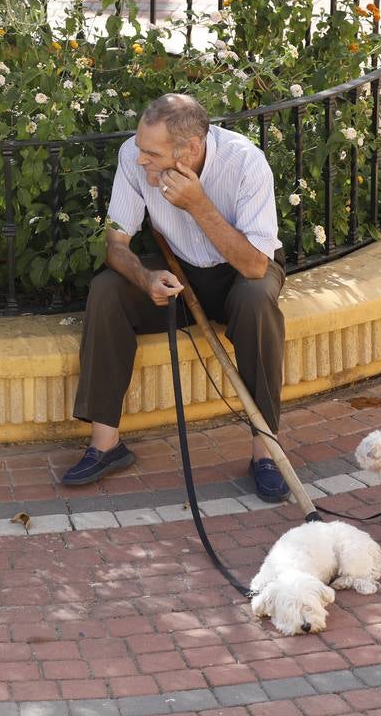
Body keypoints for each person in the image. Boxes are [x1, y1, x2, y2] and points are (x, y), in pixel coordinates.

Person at [62, 93, 291, 502]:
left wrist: (199, 205)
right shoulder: (134, 156)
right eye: (140, 147)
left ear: (191, 150)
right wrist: (144, 276)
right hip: (179, 269)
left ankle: (265, 452)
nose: (140, 159)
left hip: (242, 270)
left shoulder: (244, 162)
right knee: (107, 290)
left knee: (257, 303)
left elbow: (256, 266)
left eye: (152, 153)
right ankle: (106, 445)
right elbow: (116, 244)